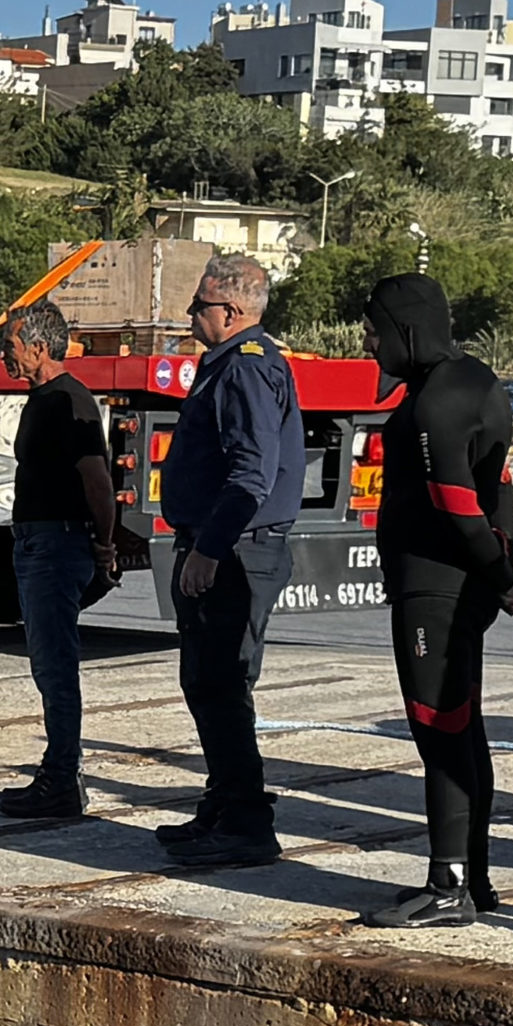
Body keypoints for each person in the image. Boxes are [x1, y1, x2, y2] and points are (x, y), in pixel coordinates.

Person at [358, 274, 513, 927]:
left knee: (438, 729)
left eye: (376, 332)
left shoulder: (437, 402)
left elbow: (458, 503)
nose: (369, 343)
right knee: (465, 730)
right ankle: (477, 875)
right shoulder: (475, 380)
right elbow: (501, 494)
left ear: (407, 331)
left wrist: (502, 580)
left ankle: (447, 887)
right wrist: (505, 577)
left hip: (435, 587)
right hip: (462, 585)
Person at [156, 254, 304, 869]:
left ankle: (246, 823)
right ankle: (223, 805)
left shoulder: (245, 370)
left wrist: (210, 550)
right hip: (226, 545)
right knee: (208, 683)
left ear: (233, 312)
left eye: (200, 305)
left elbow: (250, 476)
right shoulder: (227, 365)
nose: (192, 314)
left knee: (222, 685)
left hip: (238, 551)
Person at [0, 297, 120, 818]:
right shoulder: (43, 399)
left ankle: (61, 779)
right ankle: (58, 774)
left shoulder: (72, 400)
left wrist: (105, 544)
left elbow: (97, 479)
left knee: (56, 666)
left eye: (12, 346)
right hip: (38, 542)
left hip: (56, 544)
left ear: (40, 348)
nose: (4, 356)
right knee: (48, 666)